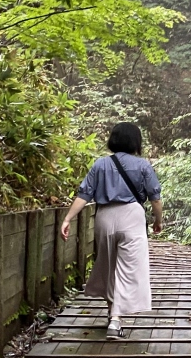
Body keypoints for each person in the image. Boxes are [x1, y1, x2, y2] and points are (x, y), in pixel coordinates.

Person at [61, 122, 163, 338]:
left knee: (109, 266)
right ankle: (115, 321)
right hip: (132, 216)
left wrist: (68, 218)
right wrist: (158, 220)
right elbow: (155, 198)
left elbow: (84, 194)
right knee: (129, 268)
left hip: (105, 216)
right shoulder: (143, 165)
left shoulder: (100, 164)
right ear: (136, 142)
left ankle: (112, 314)